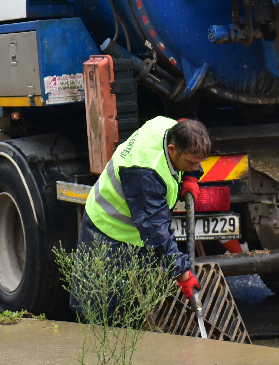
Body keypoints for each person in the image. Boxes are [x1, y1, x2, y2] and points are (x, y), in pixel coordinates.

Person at [78, 117, 210, 307]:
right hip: (107, 231)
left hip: (135, 232)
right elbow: (155, 229)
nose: (196, 166)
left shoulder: (169, 127)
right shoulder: (144, 172)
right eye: (190, 162)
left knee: (139, 305)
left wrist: (191, 176)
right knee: (101, 305)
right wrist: (183, 273)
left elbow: (189, 150)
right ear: (172, 150)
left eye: (199, 162)